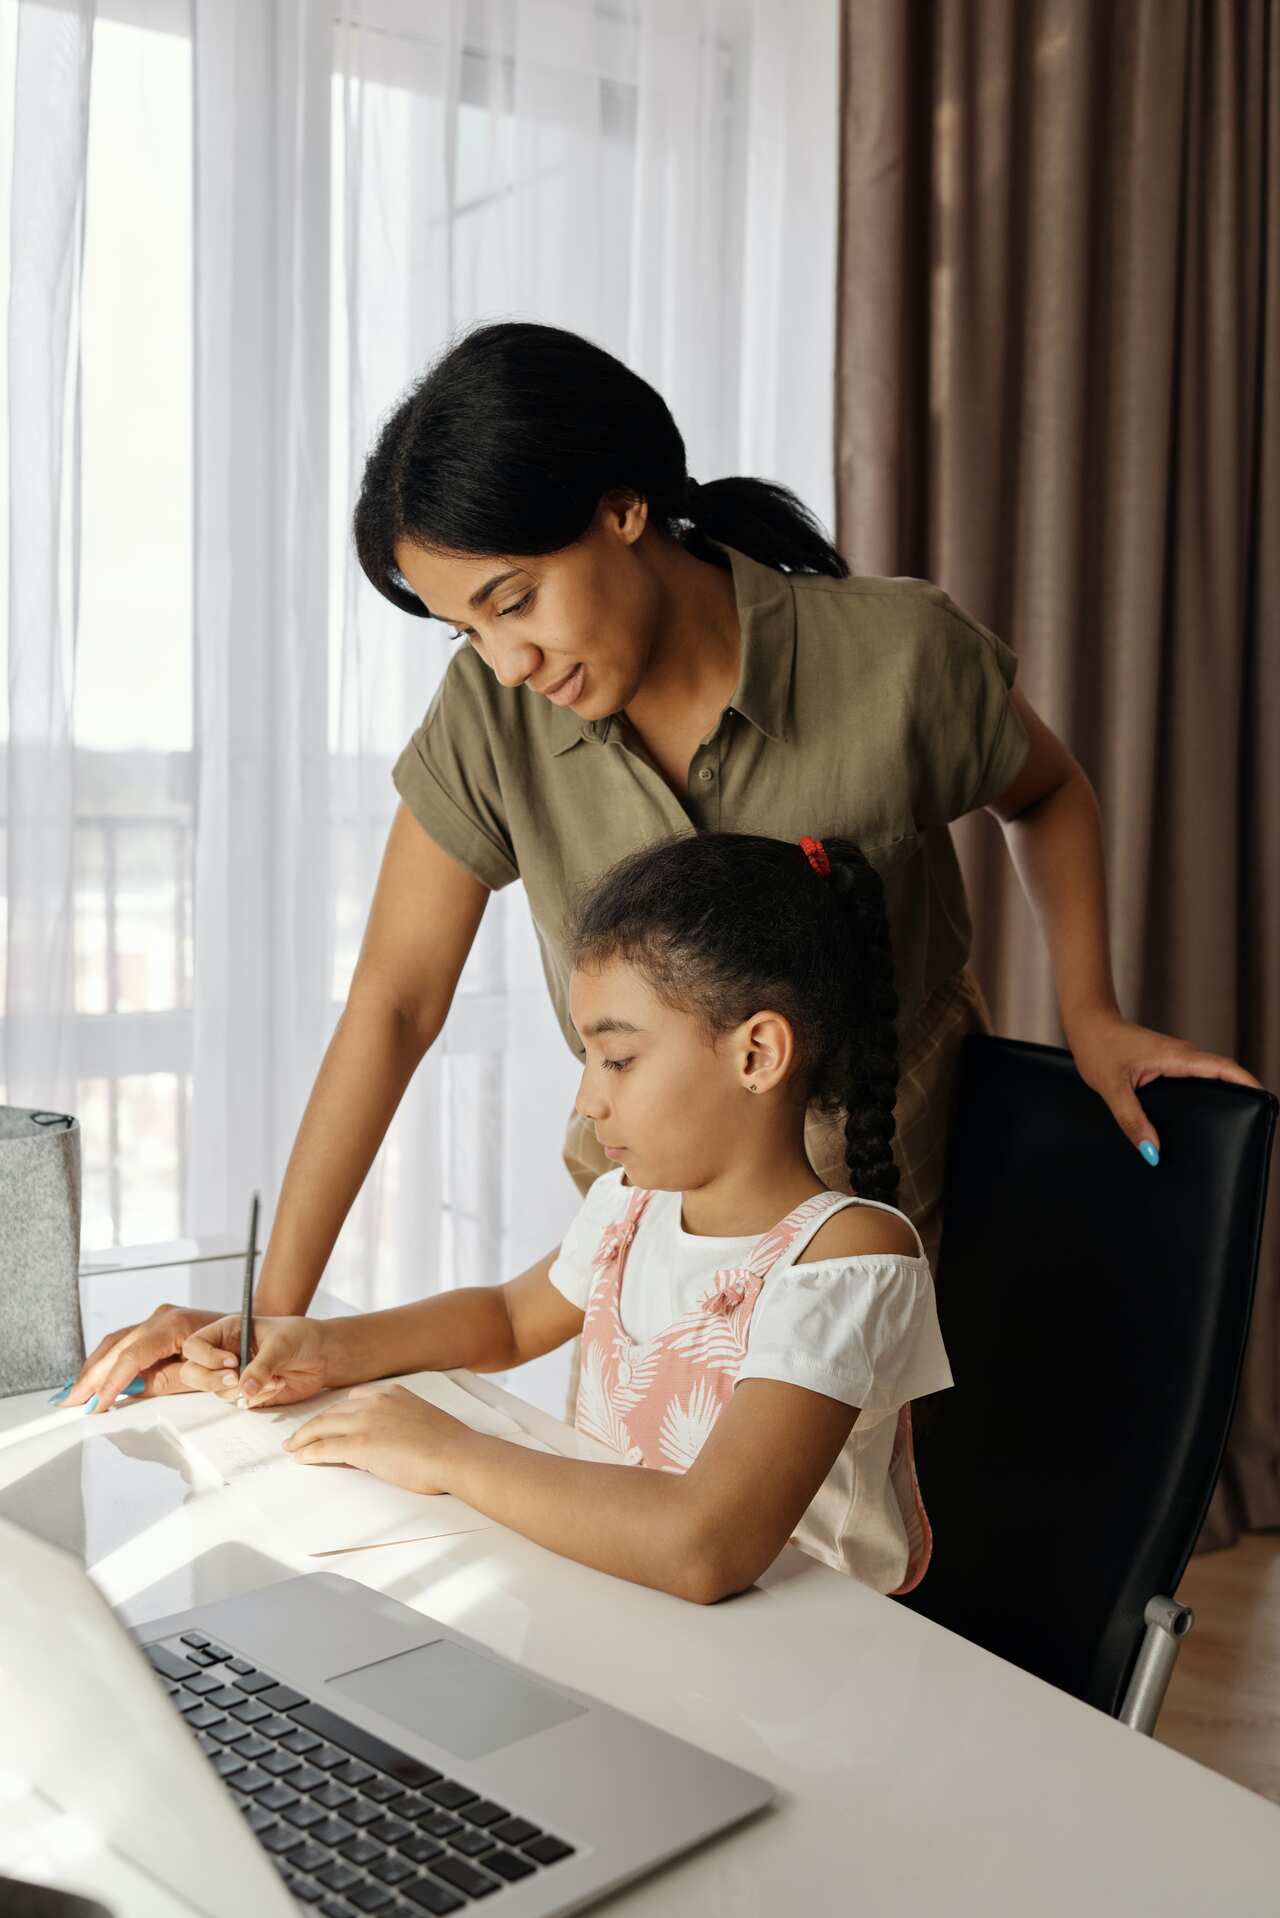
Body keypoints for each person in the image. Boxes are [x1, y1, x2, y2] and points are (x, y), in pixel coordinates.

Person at [66, 319, 1260, 1417]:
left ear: (624, 509)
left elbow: (1041, 789)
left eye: (515, 600)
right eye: (466, 629)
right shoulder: (491, 715)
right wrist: (266, 1322)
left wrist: (1089, 1008)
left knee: (848, 1540)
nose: (507, 660)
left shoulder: (895, 658)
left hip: (892, 1201)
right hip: (645, 1236)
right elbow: (394, 1003)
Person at [179, 833, 951, 1602]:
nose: (588, 1100)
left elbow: (706, 1545)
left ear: (756, 1055)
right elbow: (509, 1321)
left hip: (799, 1660)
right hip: (625, 1611)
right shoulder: (630, 1207)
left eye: (617, 1060)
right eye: (587, 1059)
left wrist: (448, 1452)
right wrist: (324, 1346)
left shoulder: (846, 1258)